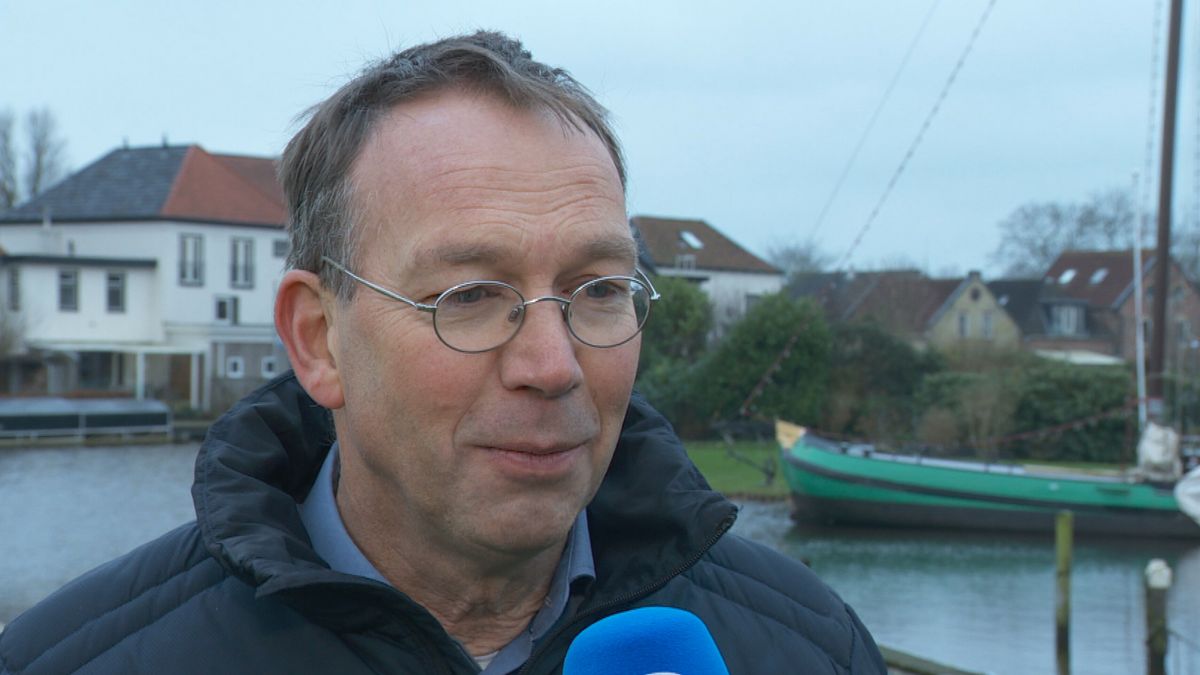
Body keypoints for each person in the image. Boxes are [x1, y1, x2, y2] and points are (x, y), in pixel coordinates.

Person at [0, 31, 885, 674]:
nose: (554, 362)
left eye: (599, 290)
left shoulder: (810, 648)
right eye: (470, 297)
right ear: (320, 339)